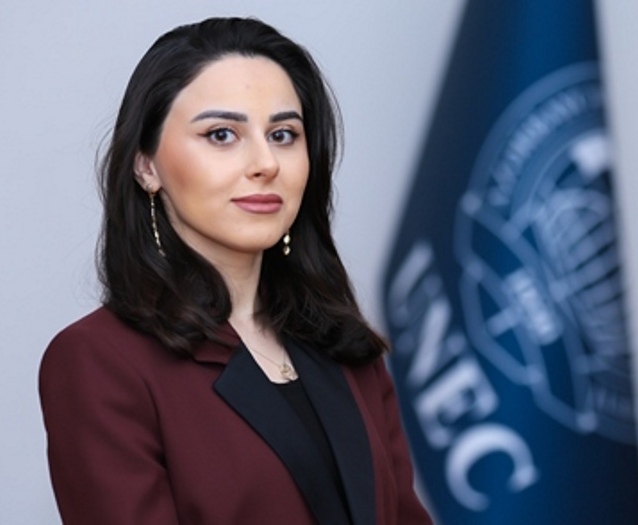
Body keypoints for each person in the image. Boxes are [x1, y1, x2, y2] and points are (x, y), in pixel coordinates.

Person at [39, 16, 433, 525]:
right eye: (222, 134)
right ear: (146, 166)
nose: (266, 162)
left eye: (284, 134)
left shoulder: (346, 345)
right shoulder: (99, 361)